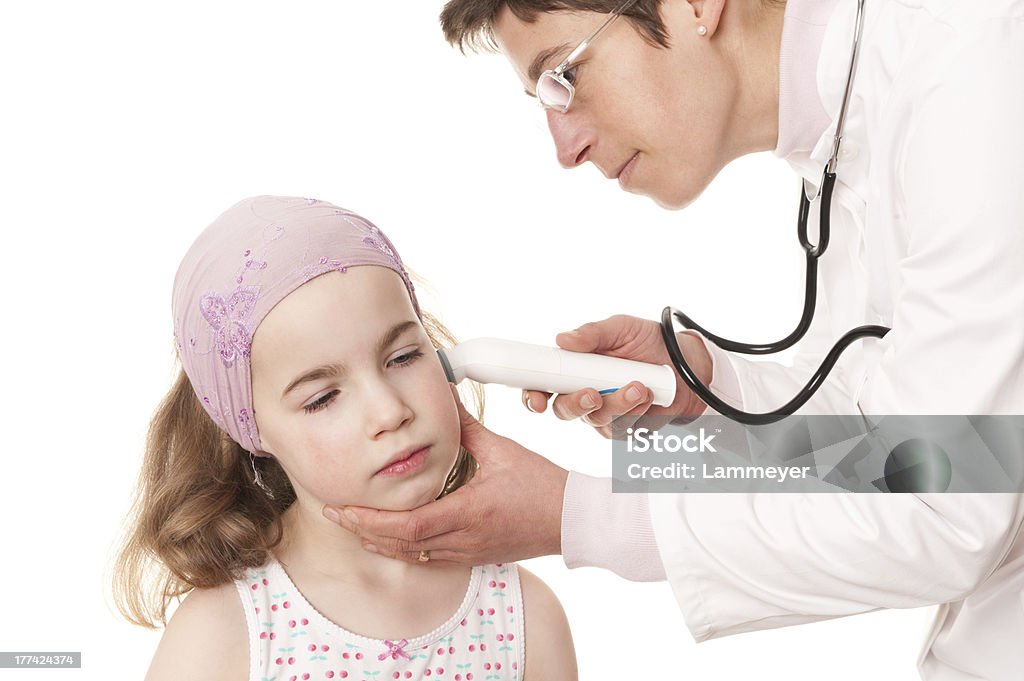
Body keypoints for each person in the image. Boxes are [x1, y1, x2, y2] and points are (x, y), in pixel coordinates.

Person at [318, 1, 1024, 678]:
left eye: (564, 76)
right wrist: (707, 398)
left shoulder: (973, 69)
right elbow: (889, 443)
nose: (565, 148)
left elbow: (944, 503)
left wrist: (574, 517)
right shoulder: (858, 121)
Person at [112, 196, 577, 681]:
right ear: (249, 428)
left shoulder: (524, 617)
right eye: (322, 398)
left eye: (402, 358)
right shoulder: (221, 635)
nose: (390, 412)